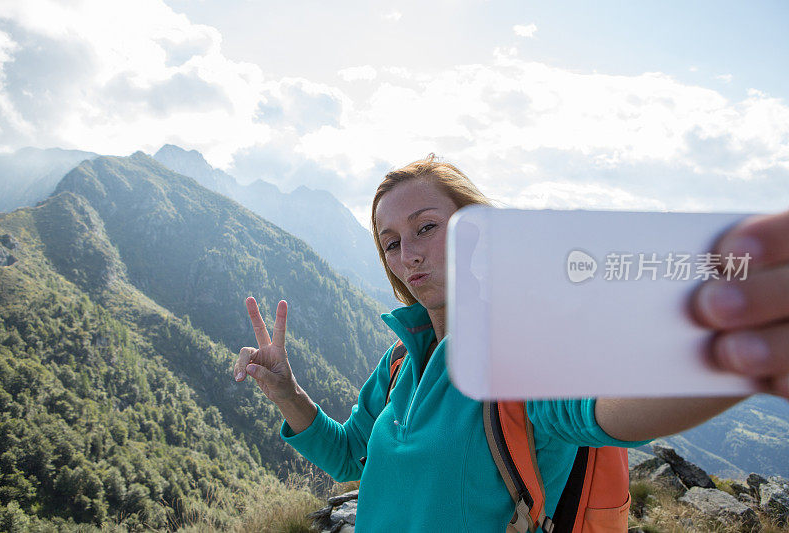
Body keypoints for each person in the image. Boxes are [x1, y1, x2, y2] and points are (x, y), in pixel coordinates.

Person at [233, 155, 789, 532]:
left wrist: (741, 359)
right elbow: (348, 453)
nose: (409, 255)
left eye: (427, 227)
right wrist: (286, 390)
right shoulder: (402, 360)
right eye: (392, 242)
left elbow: (609, 410)